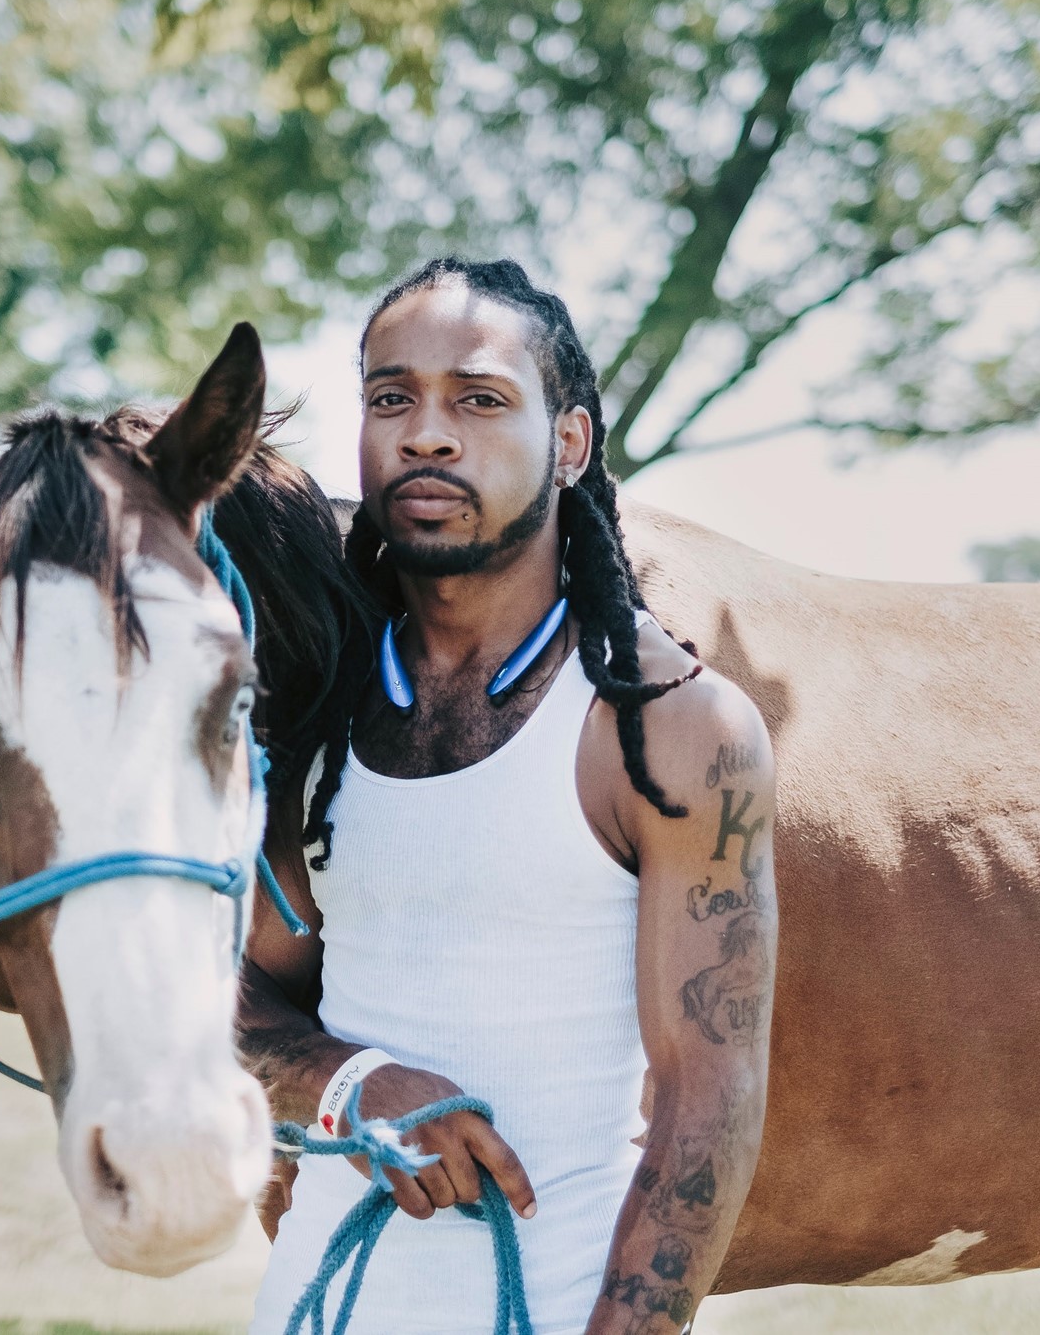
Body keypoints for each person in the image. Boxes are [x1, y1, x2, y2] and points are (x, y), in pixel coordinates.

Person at [240, 258, 778, 1335]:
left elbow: (706, 1104)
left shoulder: (671, 728)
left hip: (556, 1303)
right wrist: (357, 1081)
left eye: (478, 400)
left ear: (570, 443)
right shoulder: (313, 718)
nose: (426, 434)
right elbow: (229, 1000)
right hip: (314, 1307)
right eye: (392, 397)